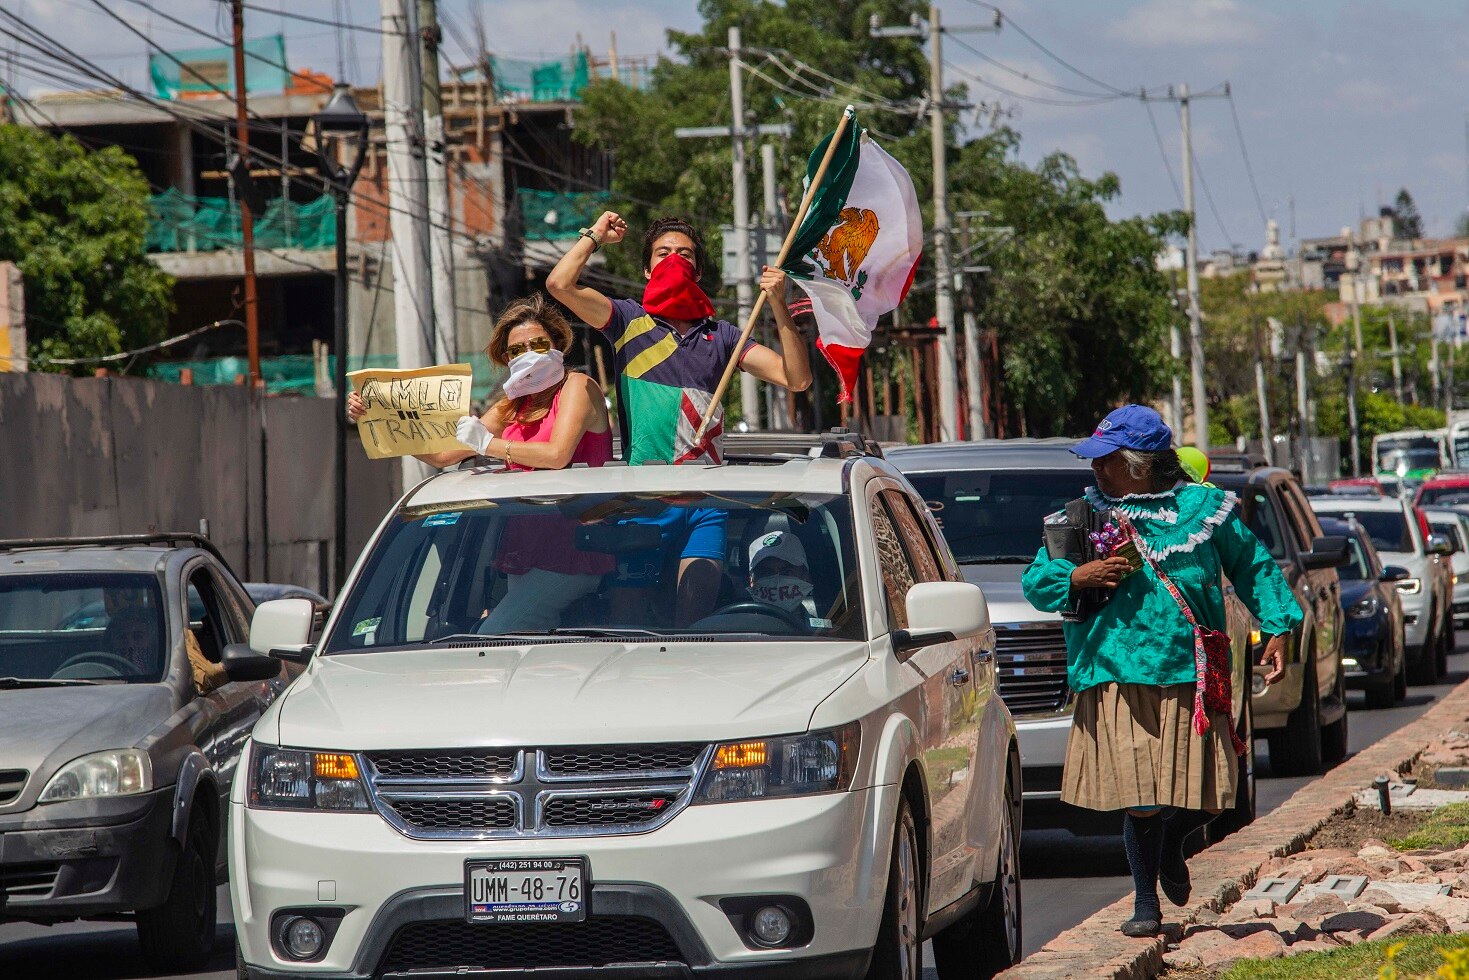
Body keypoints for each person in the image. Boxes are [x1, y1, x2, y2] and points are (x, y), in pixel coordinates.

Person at [1021, 405, 1302, 938]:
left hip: (1189, 673)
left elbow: (1253, 566)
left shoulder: (1206, 511)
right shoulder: (1083, 516)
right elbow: (1039, 580)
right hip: (1114, 672)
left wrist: (1278, 626)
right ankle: (1145, 902)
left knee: (1211, 791)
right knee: (1142, 797)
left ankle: (1174, 840)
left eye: (1105, 460)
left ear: (1140, 464)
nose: (1096, 469)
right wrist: (1082, 574)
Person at [547, 212, 813, 625]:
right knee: (630, 627)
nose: (674, 259)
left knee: (694, 622)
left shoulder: (725, 336)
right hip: (643, 498)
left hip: (706, 498)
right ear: (648, 268)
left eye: (685, 254)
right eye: (664, 252)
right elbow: (559, 285)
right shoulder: (626, 321)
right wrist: (595, 236)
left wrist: (779, 304)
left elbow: (795, 379)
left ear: (698, 271)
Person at [348, 294, 615, 632]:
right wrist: (376, 417)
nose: (529, 353)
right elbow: (444, 456)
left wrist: (489, 444)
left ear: (557, 343)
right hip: (526, 549)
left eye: (539, 343)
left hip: (575, 553)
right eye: (518, 349)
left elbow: (556, 455)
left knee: (492, 635)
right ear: (506, 358)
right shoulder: (512, 406)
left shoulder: (578, 386)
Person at [746, 530, 817, 621]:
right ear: (751, 581)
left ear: (806, 577)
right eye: (767, 572)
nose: (777, 578)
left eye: (786, 571)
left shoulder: (823, 632)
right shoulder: (735, 630)